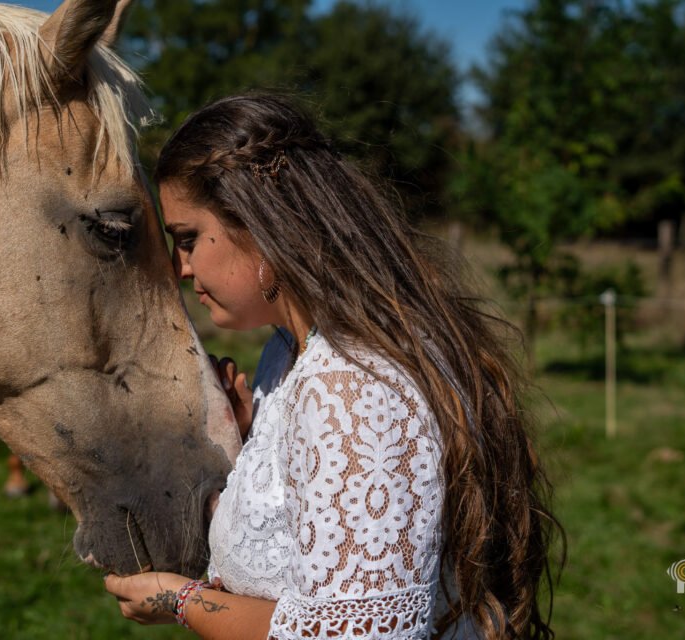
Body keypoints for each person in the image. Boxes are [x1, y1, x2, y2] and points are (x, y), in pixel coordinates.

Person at [103, 93, 561, 639]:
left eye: (189, 239)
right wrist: (255, 446)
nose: (181, 268)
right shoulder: (288, 352)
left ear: (259, 224)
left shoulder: (351, 384)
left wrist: (181, 600)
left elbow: (356, 633)